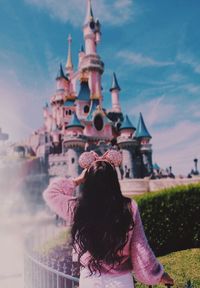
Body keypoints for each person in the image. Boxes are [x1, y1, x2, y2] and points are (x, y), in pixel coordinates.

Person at [43, 150, 174, 288]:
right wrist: (158, 275)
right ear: (114, 181)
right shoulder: (128, 207)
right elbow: (140, 247)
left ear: (88, 181)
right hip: (121, 281)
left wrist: (77, 180)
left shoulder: (79, 208)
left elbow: (50, 193)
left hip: (90, 280)